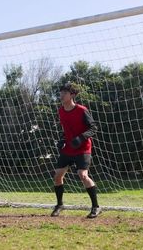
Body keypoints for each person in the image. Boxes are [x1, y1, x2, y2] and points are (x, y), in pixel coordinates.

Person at [51, 82, 101, 218]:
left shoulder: (81, 110)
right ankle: (59, 205)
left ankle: (96, 207)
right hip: (68, 148)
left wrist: (81, 138)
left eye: (65, 93)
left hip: (83, 148)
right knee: (57, 176)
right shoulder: (60, 111)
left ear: (72, 95)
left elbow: (93, 128)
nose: (61, 95)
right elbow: (66, 130)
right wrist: (62, 140)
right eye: (61, 92)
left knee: (83, 175)